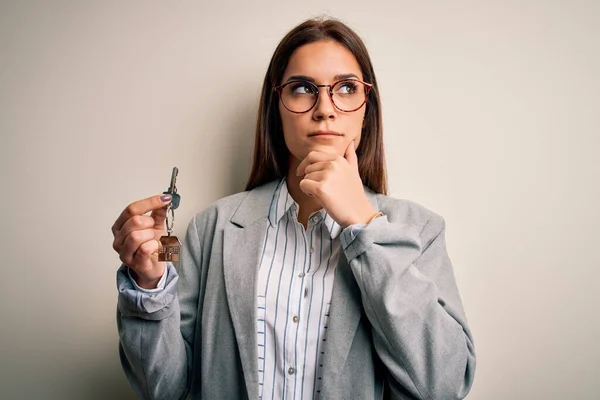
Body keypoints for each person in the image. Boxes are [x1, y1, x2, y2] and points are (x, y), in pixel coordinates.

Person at [112, 17, 476, 400]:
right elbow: (165, 388)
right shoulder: (212, 228)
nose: (325, 109)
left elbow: (444, 385)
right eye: (303, 88)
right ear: (277, 108)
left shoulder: (420, 230)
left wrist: (365, 225)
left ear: (367, 110)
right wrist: (149, 286)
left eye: (347, 88)